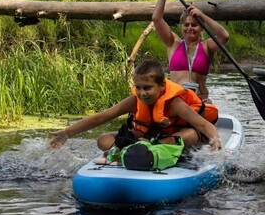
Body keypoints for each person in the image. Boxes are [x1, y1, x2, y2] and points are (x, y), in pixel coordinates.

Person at [49, 59, 222, 163]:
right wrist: (67, 133)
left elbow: (204, 125)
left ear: (162, 86)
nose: (142, 93)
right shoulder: (135, 101)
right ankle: (140, 153)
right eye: (138, 87)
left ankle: (137, 153)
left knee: (190, 135)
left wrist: (215, 139)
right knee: (103, 140)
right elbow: (101, 117)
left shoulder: (175, 103)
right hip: (148, 139)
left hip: (172, 138)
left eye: (147, 88)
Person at [152, 0, 230, 102]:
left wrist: (202, 15)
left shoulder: (207, 47)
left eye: (194, 25)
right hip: (178, 101)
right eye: (186, 24)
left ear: (201, 28)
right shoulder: (173, 43)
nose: (189, 28)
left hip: (201, 100)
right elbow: (156, 18)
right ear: (182, 26)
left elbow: (224, 36)